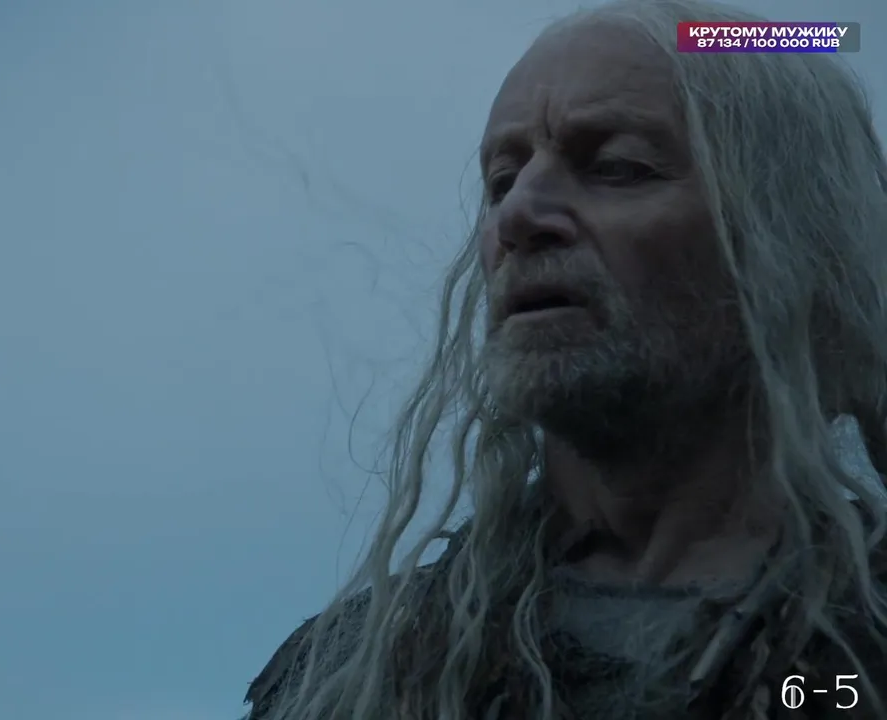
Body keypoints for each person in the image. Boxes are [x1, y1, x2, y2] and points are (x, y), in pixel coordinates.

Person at [243, 1, 887, 718]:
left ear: (790, 242)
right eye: (501, 181)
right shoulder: (350, 678)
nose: (518, 216)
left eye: (616, 167)